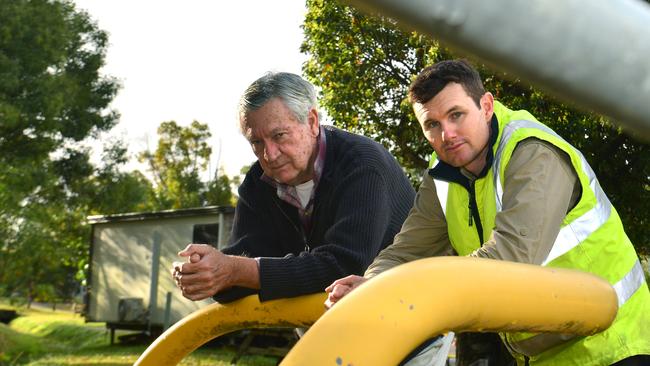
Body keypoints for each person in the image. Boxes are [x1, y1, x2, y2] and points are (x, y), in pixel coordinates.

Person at [325, 59, 650, 366]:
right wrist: (370, 284)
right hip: (545, 353)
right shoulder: (441, 174)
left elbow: (509, 260)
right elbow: (407, 251)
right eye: (432, 124)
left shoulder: (533, 153)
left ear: (486, 106)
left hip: (615, 345)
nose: (446, 134)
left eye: (456, 115)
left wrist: (406, 287)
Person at [172, 72, 415, 304]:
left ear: (311, 121)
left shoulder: (361, 164)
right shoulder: (258, 183)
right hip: (324, 318)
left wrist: (235, 270)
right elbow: (240, 275)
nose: (269, 155)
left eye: (279, 135)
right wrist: (207, 272)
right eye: (256, 142)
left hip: (408, 314)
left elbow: (346, 265)